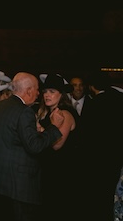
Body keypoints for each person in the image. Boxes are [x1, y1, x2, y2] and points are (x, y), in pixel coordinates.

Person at [0, 72, 65, 221]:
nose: (38, 93)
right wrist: (54, 127)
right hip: (20, 189)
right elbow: (34, 146)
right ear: (28, 91)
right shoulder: (24, 111)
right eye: (37, 89)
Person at [35, 73, 79, 221]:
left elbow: (57, 145)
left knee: (58, 211)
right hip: (48, 172)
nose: (47, 95)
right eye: (45, 91)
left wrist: (40, 130)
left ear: (61, 94)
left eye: (52, 92)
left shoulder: (65, 113)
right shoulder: (46, 113)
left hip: (62, 174)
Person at [81, 71, 123, 221]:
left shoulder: (94, 104)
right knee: (112, 193)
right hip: (116, 157)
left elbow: (85, 135)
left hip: (97, 159)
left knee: (98, 196)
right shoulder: (119, 99)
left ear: (92, 87)